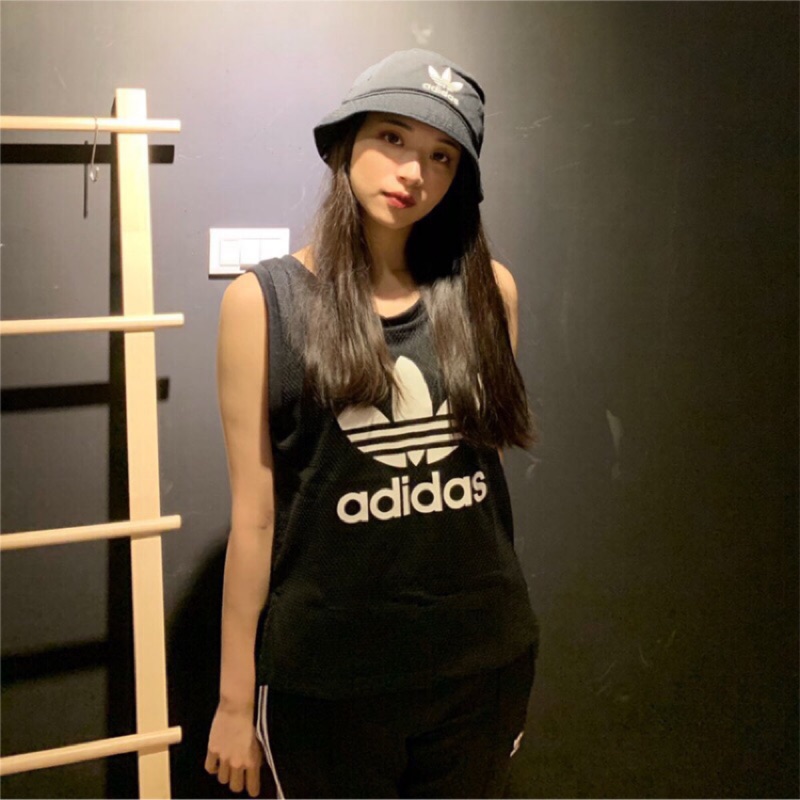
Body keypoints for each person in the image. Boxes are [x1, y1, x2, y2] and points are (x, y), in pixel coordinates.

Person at [205, 49, 540, 799]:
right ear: (347, 141)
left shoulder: (491, 293)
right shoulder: (264, 305)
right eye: (392, 137)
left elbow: (482, 489)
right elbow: (255, 518)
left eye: (441, 154)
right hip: (328, 687)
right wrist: (233, 701)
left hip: (478, 669)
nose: (413, 171)